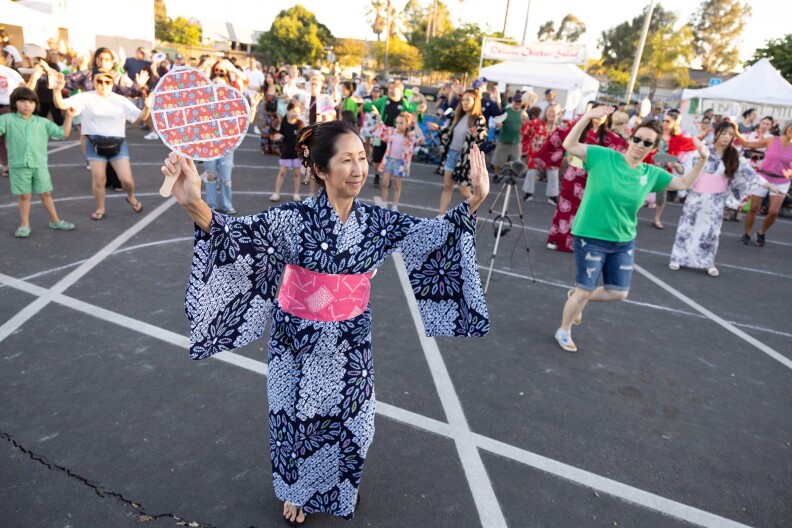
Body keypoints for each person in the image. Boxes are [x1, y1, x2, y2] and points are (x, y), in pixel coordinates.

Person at [160, 119, 490, 525]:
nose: (358, 169)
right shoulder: (293, 219)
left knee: (357, 423)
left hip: (351, 337)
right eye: (346, 160)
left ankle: (334, 485)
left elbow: (433, 235)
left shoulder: (376, 222)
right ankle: (298, 492)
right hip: (298, 337)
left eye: (363, 159)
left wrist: (474, 200)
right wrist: (193, 203)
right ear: (319, 168)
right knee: (298, 420)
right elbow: (236, 236)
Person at [554, 107, 710, 352]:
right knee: (585, 290)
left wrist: (702, 159)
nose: (639, 144)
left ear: (653, 148)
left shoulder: (651, 174)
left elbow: (684, 183)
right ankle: (564, 330)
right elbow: (570, 145)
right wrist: (587, 117)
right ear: (630, 138)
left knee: (619, 292)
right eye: (637, 139)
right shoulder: (603, 156)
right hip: (591, 235)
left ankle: (577, 297)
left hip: (623, 240)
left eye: (647, 142)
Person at [669, 122, 781, 277]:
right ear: (717, 133)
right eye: (724, 133)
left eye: (730, 134)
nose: (727, 137)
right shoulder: (702, 151)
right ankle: (678, 258)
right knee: (687, 228)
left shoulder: (734, 155)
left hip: (716, 200)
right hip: (696, 197)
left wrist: (769, 185)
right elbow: (687, 169)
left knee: (712, 232)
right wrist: (677, 167)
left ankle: (707, 262)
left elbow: (750, 174)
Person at [53, 68, 151, 220]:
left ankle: (131, 197)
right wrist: (57, 90)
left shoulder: (120, 100)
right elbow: (61, 104)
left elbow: (141, 117)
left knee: (127, 180)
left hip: (117, 143)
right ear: (93, 82)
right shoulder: (85, 97)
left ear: (112, 83)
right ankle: (100, 208)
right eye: (99, 81)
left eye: (107, 81)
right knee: (99, 180)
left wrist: (148, 106)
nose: (103, 85)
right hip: (94, 143)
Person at [537, 102, 625, 252]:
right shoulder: (577, 129)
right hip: (573, 175)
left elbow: (620, 156)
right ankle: (557, 238)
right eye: (597, 113)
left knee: (586, 211)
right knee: (565, 208)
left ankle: (576, 242)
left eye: (603, 115)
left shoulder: (612, 138)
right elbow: (559, 136)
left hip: (595, 179)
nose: (599, 117)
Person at [0, 86, 76, 237]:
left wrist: (69, 116)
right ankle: (24, 224)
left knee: (46, 193)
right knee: (24, 195)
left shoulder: (43, 122)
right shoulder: (6, 120)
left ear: (36, 104)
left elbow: (64, 133)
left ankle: (55, 220)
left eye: (31, 101)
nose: (27, 104)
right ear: (14, 103)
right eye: (22, 101)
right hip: (18, 165)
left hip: (39, 165)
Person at [429, 89, 487, 214]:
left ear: (475, 102)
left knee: (464, 191)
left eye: (468, 100)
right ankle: (440, 217)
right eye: (463, 100)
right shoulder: (457, 116)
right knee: (447, 187)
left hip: (465, 160)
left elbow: (482, 135)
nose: (464, 103)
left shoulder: (478, 118)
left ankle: (473, 218)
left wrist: (476, 134)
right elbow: (448, 132)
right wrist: (438, 128)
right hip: (451, 155)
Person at [736, 120, 792, 246]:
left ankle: (761, 233)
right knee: (754, 208)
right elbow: (747, 143)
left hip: (781, 181)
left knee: (773, 212)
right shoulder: (771, 140)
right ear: (787, 127)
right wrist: (735, 131)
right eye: (791, 128)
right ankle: (747, 233)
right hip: (763, 177)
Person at [363, 80, 425, 187]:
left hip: (396, 135)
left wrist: (421, 110)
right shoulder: (384, 100)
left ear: (400, 90)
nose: (391, 91)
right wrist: (364, 104)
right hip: (381, 132)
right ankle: (377, 175)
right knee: (376, 156)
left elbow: (416, 111)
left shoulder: (405, 103)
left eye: (394, 88)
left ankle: (389, 177)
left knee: (391, 157)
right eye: (390, 88)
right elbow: (371, 105)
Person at [649, 112, 697, 229]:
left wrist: (704, 136)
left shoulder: (677, 138)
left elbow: (691, 144)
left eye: (668, 121)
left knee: (661, 196)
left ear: (674, 123)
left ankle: (657, 218)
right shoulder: (656, 134)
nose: (664, 123)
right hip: (650, 167)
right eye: (664, 120)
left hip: (665, 170)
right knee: (639, 191)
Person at [377, 111, 424, 210]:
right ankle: (384, 203)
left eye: (401, 123)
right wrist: (377, 115)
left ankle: (395, 205)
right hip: (389, 160)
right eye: (397, 122)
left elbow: (421, 138)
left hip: (400, 163)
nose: (398, 125)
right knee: (385, 183)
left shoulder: (410, 136)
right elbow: (382, 128)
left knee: (397, 185)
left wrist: (415, 123)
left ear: (407, 124)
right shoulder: (392, 132)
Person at [521, 103, 561, 203]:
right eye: (550, 111)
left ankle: (553, 196)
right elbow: (525, 131)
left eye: (555, 112)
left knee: (553, 174)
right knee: (531, 173)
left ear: (559, 113)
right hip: (536, 153)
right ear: (545, 112)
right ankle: (528, 193)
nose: (552, 114)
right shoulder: (536, 123)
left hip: (552, 155)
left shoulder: (561, 126)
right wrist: (524, 120)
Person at [270, 101, 304, 202]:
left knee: (297, 174)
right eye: (293, 111)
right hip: (286, 152)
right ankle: (276, 193)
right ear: (288, 111)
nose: (295, 113)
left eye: (297, 111)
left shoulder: (300, 124)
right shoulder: (284, 124)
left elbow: (304, 138)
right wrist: (279, 136)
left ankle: (296, 193)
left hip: (296, 153)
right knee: (281, 173)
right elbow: (279, 134)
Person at [492, 94, 527, 176]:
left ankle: (511, 177)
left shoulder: (523, 114)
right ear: (512, 101)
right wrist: (498, 124)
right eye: (516, 101)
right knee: (497, 162)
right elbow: (498, 120)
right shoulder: (506, 111)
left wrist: (525, 122)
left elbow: (527, 126)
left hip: (516, 143)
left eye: (519, 102)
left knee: (516, 164)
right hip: (504, 141)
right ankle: (496, 175)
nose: (517, 103)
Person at [0, 63, 25, 177]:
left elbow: (23, 86)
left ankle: (16, 164)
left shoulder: (8, 72)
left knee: (11, 137)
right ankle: (6, 165)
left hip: (7, 107)